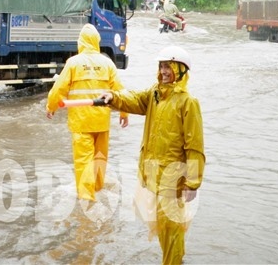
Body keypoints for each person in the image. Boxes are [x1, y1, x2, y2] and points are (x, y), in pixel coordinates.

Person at [100, 46, 204, 265]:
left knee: (171, 227)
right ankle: (176, 260)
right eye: (162, 66)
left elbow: (195, 146)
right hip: (154, 173)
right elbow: (135, 100)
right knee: (164, 226)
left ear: (181, 70)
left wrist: (192, 183)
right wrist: (112, 97)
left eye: (169, 67)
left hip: (173, 177)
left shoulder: (188, 102)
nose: (164, 71)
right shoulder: (155, 95)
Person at [46, 24, 128, 202]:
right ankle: (98, 191)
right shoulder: (107, 63)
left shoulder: (73, 63)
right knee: (100, 159)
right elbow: (120, 91)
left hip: (81, 123)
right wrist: (124, 113)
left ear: (81, 42)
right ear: (97, 42)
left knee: (84, 163)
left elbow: (59, 89)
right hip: (102, 122)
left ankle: (87, 204)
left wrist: (51, 107)